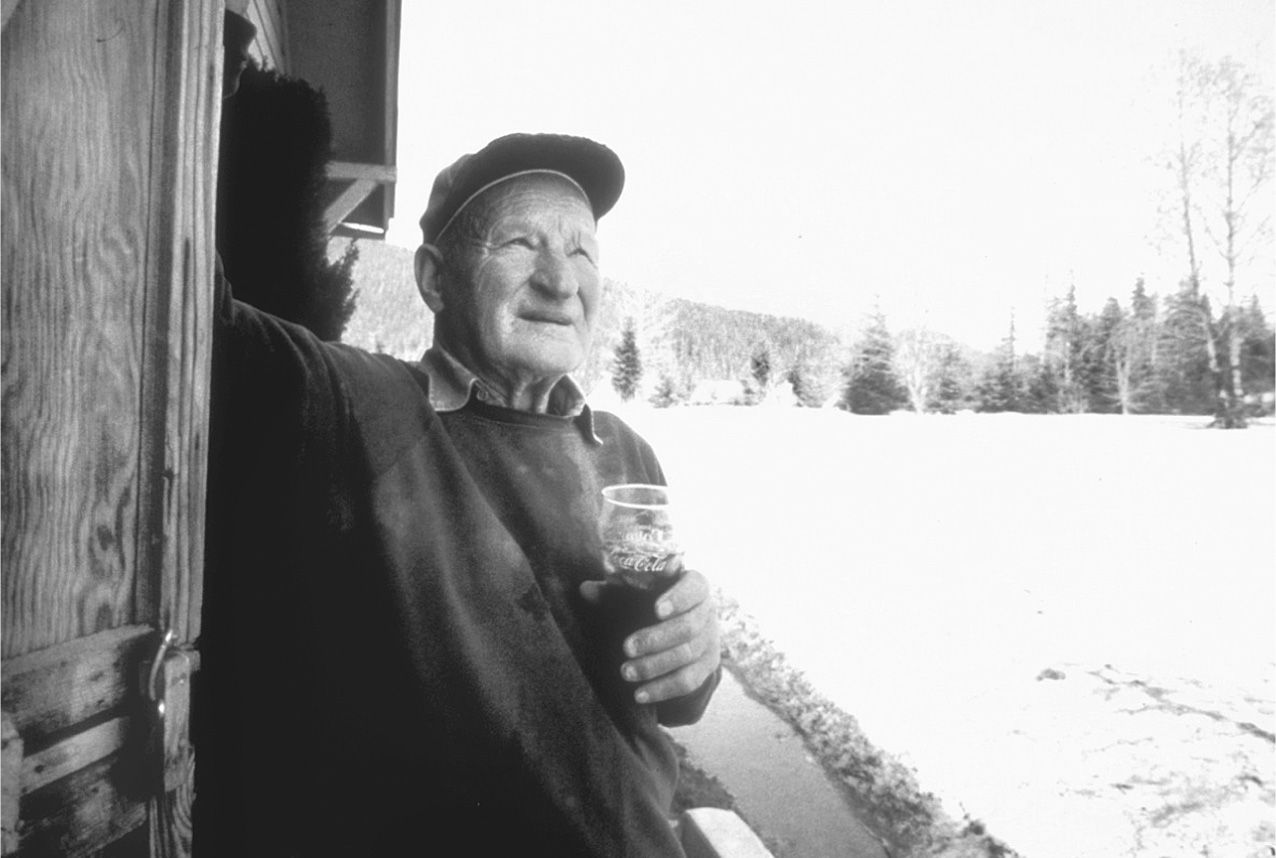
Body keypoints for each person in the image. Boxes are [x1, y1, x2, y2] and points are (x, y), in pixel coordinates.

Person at [195, 133, 721, 857]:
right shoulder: (356, 409)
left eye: (582, 252)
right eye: (519, 243)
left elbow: (666, 698)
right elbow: (187, 302)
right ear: (437, 279)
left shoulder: (625, 452)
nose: (560, 282)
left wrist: (696, 654)